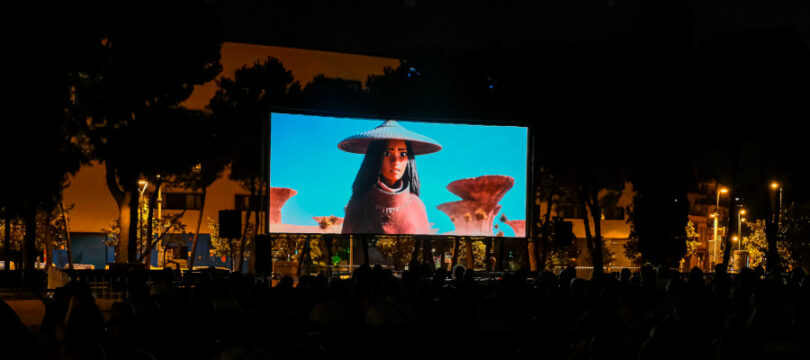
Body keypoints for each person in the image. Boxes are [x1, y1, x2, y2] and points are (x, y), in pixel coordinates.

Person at [339, 120, 441, 234]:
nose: (395, 161)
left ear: (409, 159)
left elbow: (424, 247)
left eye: (402, 154)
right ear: (375, 157)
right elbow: (346, 246)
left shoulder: (417, 205)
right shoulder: (359, 202)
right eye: (387, 154)